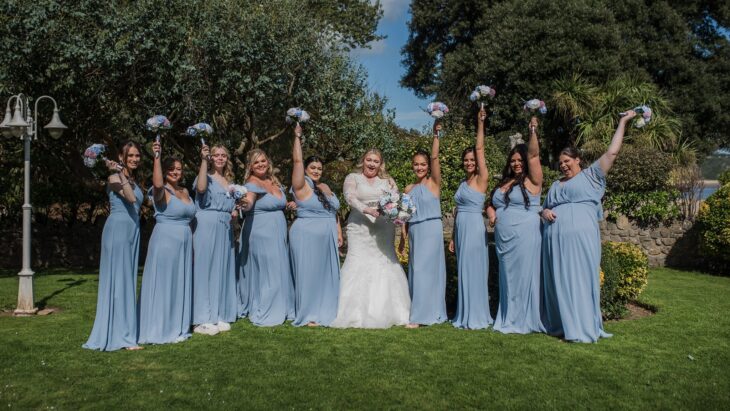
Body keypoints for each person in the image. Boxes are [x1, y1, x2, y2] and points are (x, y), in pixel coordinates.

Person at [541, 110, 636, 343]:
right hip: (555, 240)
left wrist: (623, 121)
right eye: (560, 162)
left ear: (577, 160)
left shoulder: (591, 176)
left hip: (581, 238)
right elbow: (544, 208)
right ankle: (563, 324)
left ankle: (582, 326)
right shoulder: (555, 184)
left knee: (581, 278)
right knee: (560, 281)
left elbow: (612, 152)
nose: (563, 166)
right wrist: (544, 212)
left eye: (567, 161)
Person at [330, 149, 411, 328]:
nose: (372, 164)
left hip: (383, 228)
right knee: (357, 262)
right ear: (363, 161)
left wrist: (396, 215)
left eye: (376, 161)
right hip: (359, 227)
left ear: (380, 164)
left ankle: (390, 311)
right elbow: (349, 197)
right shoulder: (353, 178)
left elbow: (396, 202)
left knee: (385, 262)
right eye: (369, 160)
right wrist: (366, 209)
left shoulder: (388, 181)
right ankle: (352, 312)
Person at [83, 141, 144, 351]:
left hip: (132, 230)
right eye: (130, 157)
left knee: (127, 279)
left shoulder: (132, 179)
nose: (135, 159)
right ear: (121, 157)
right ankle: (122, 336)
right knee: (119, 281)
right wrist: (119, 173)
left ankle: (126, 331)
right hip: (118, 230)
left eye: (137, 156)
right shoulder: (113, 178)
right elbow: (129, 198)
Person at [487, 116, 545, 334]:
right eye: (513, 160)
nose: (517, 163)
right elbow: (490, 204)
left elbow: (534, 155)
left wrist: (532, 131)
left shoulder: (533, 180)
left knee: (523, 277)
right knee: (509, 279)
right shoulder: (504, 182)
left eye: (520, 160)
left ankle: (524, 319)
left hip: (525, 236)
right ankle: (508, 316)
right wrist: (492, 212)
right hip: (505, 242)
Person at [138, 142, 195, 344]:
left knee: (179, 282)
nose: (175, 172)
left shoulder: (186, 192)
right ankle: (159, 327)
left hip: (185, 243)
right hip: (166, 241)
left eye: (179, 169)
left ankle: (177, 323)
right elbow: (159, 185)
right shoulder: (160, 192)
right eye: (171, 169)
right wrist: (156, 157)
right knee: (164, 283)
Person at [289, 124, 342, 327]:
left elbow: (333, 211)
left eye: (319, 168)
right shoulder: (301, 185)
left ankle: (327, 308)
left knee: (325, 276)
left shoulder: (325, 186)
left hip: (327, 236)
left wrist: (338, 231)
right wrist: (297, 137)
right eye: (313, 168)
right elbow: (297, 160)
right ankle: (309, 313)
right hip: (306, 236)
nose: (317, 171)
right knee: (309, 275)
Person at [237, 149, 295, 326]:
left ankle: (282, 305)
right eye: (256, 162)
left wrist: (288, 204)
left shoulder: (273, 181)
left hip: (277, 232)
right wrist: (242, 203)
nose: (261, 164)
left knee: (278, 267)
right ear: (250, 167)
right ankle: (269, 307)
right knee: (269, 270)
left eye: (263, 161)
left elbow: (277, 203)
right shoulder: (251, 183)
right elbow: (248, 203)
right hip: (261, 232)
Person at [399, 120, 447, 328]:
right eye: (416, 164)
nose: (419, 167)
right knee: (417, 270)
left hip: (431, 229)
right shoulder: (408, 188)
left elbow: (435, 156)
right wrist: (402, 236)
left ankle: (421, 316)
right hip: (415, 231)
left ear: (428, 166)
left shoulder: (433, 183)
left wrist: (435, 134)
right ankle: (425, 310)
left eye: (423, 164)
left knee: (426, 271)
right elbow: (403, 217)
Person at [449, 106, 492, 330]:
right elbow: (457, 213)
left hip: (475, 228)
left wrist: (480, 123)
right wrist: (454, 238)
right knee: (464, 270)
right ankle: (464, 313)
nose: (469, 162)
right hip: (461, 230)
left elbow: (480, 147)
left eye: (472, 159)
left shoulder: (481, 178)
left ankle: (476, 315)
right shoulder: (462, 184)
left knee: (475, 270)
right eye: (465, 160)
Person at [191, 144, 239, 336]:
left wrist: (235, 210)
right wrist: (203, 161)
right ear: (210, 158)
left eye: (223, 155)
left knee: (222, 268)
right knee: (205, 268)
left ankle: (218, 312)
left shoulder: (229, 181)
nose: (220, 158)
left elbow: (233, 205)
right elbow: (201, 189)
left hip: (225, 226)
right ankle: (201, 318)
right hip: (207, 223)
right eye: (216, 155)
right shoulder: (205, 177)